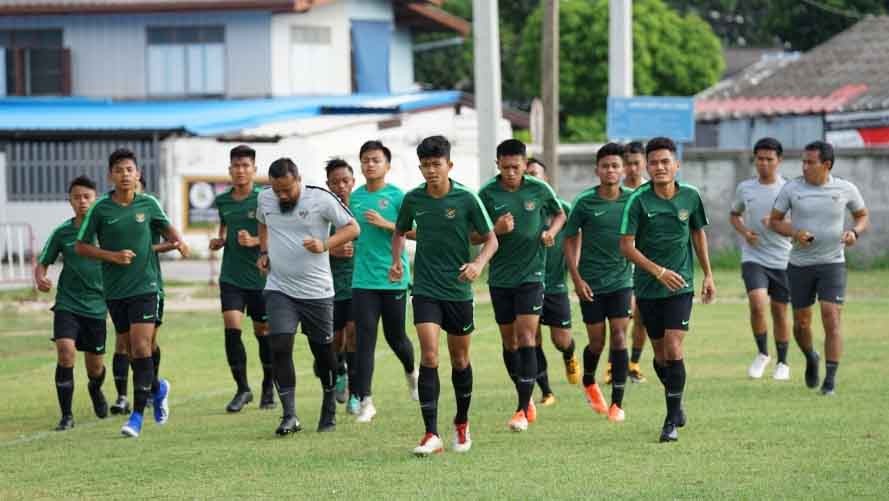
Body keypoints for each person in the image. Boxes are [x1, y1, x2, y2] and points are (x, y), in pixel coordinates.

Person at [390, 135, 498, 456]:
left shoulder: (467, 198)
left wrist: (478, 264)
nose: (431, 171)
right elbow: (399, 230)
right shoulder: (413, 199)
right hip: (425, 288)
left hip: (458, 290)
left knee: (460, 359)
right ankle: (431, 434)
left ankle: (461, 423)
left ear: (449, 165)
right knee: (430, 356)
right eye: (425, 165)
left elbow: (491, 239)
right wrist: (396, 261)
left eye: (436, 164)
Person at [76, 148, 187, 438]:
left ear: (137, 174)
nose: (125, 175)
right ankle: (158, 387)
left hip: (146, 286)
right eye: (119, 170)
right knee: (127, 347)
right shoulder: (101, 209)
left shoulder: (148, 204)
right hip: (115, 290)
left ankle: (136, 416)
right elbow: (81, 246)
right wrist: (112, 256)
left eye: (129, 169)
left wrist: (179, 243)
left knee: (140, 346)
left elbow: (171, 233)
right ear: (110, 175)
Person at [619, 137, 716, 443]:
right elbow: (626, 246)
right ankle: (677, 402)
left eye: (665, 162)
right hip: (648, 288)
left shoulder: (690, 196)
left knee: (674, 348)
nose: (659, 167)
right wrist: (657, 272)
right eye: (654, 163)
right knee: (660, 357)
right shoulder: (638, 200)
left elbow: (698, 233)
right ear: (647, 167)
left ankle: (670, 421)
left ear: (677, 165)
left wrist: (708, 275)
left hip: (681, 286)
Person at [256, 158, 360, 435]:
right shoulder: (266, 199)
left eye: (287, 189)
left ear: (298, 179)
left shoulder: (321, 199)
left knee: (324, 353)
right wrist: (264, 252)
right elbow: (262, 223)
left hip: (316, 292)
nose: (282, 196)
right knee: (278, 343)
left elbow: (353, 228)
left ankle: (328, 404)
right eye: (278, 190)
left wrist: (324, 245)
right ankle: (289, 415)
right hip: (279, 287)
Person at [478, 139, 566, 433]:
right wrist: (496, 230)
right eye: (506, 168)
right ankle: (524, 396)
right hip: (501, 278)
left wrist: (551, 232)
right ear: (498, 165)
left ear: (525, 164)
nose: (512, 173)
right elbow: (473, 234)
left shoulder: (539, 189)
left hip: (532, 276)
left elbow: (560, 213)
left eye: (517, 167)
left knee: (527, 336)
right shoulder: (487, 194)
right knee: (509, 342)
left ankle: (521, 408)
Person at [769, 140, 868, 395]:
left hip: (833, 263)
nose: (804, 167)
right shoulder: (792, 188)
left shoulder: (845, 188)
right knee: (802, 323)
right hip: (799, 264)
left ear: (826, 165)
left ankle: (830, 381)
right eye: (802, 161)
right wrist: (795, 232)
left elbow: (862, 215)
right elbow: (775, 221)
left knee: (831, 316)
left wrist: (854, 232)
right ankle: (811, 357)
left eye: (810, 162)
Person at [564, 143, 634, 423]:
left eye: (615, 165)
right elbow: (569, 240)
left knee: (619, 335)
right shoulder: (584, 202)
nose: (611, 170)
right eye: (605, 166)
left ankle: (617, 403)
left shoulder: (633, 199)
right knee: (596, 342)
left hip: (621, 280)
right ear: (597, 170)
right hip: (591, 282)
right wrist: (577, 278)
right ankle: (589, 381)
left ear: (624, 170)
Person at [349, 141, 418, 424]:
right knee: (365, 339)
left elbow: (415, 232)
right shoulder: (354, 198)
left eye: (375, 160)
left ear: (387, 165)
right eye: (365, 160)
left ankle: (412, 373)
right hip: (363, 279)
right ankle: (366, 401)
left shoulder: (398, 197)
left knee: (396, 337)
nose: (370, 164)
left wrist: (387, 224)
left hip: (393, 277)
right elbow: (348, 230)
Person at [34, 176, 109, 431]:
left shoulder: (105, 231)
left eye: (87, 196)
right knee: (65, 354)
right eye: (77, 197)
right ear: (70, 201)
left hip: (98, 306)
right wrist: (41, 277)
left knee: (95, 367)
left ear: (95, 199)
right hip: (68, 303)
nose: (82, 201)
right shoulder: (62, 232)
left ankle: (95, 389)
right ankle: (66, 416)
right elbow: (44, 260)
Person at [210, 145, 274, 413]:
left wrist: (256, 241)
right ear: (230, 170)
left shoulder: (264, 199)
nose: (240, 170)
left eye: (246, 166)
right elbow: (224, 228)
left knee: (263, 333)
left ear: (254, 170)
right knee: (232, 328)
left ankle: (269, 387)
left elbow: (277, 232)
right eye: (236, 166)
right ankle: (242, 388)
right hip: (231, 276)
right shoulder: (223, 201)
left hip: (260, 277)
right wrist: (220, 240)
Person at [730, 138, 793, 380]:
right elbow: (734, 214)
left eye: (769, 159)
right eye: (760, 159)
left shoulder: (789, 190)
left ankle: (783, 362)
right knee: (757, 303)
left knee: (779, 311)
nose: (764, 163)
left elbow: (800, 226)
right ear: (754, 160)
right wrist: (745, 232)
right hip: (753, 256)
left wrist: (778, 225)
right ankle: (762, 353)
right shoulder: (745, 188)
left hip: (783, 259)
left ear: (779, 161)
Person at [523, 158, 580, 407]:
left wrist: (575, 267)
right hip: (527, 284)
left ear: (546, 179)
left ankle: (569, 355)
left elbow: (577, 237)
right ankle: (546, 391)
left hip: (556, 286)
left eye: (534, 173)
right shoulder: (522, 209)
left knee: (561, 340)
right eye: (527, 175)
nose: (530, 178)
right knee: (531, 339)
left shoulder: (563, 209)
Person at [325, 158, 358, 412]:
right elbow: (307, 246)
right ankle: (340, 372)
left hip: (359, 284)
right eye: (335, 182)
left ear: (353, 182)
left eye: (345, 181)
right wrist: (330, 251)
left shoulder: (361, 208)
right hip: (329, 286)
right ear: (328, 185)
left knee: (354, 335)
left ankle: (357, 392)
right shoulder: (322, 214)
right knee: (335, 340)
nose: (340, 186)